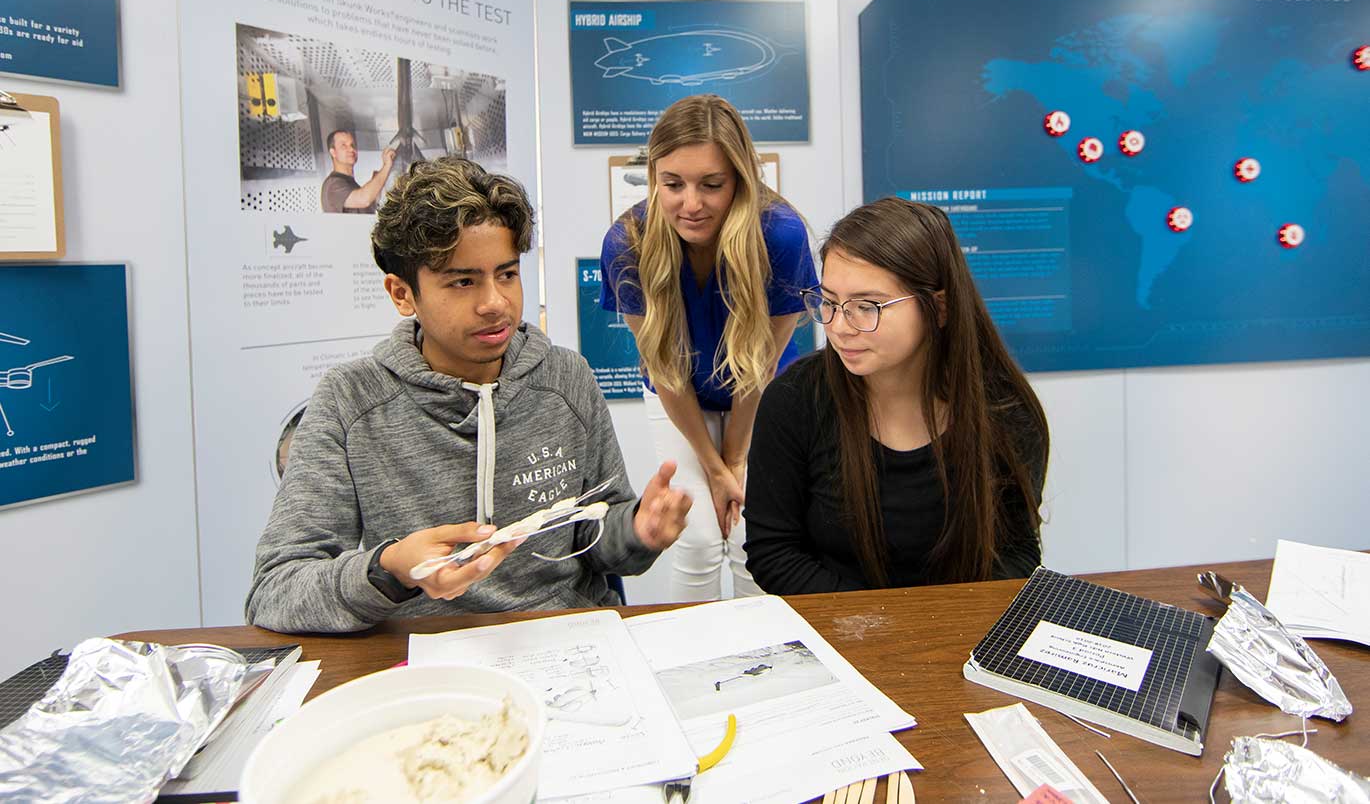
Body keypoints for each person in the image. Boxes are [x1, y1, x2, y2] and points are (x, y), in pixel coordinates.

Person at [248, 157, 692, 633]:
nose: (495, 303)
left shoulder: (566, 378)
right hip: (422, 659)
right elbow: (276, 591)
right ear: (402, 294)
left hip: (564, 643)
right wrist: (389, 569)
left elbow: (596, 530)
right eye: (462, 281)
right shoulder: (350, 402)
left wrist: (640, 530)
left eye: (507, 274)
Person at [743, 198, 1048, 593]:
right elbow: (773, 553)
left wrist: (941, 626)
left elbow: (1017, 552)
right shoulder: (794, 399)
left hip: (960, 633)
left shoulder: (1006, 409)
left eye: (867, 306)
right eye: (830, 302)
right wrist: (877, 624)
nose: (839, 327)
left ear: (938, 308)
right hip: (838, 633)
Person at [599, 94, 818, 601]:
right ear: (654, 175)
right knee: (696, 537)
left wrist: (736, 460)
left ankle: (764, 658)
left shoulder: (779, 235)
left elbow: (762, 365)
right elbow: (665, 369)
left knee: (753, 538)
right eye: (672, 184)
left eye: (711, 185)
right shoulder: (626, 242)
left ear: (740, 178)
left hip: (763, 393)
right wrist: (714, 469)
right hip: (679, 394)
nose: (690, 204)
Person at [320, 129, 396, 214]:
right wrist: (386, 166)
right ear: (333, 152)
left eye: (352, 145)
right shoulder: (333, 185)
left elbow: (369, 205)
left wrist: (378, 178)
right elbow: (364, 200)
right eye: (344, 145)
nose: (351, 149)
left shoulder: (350, 183)